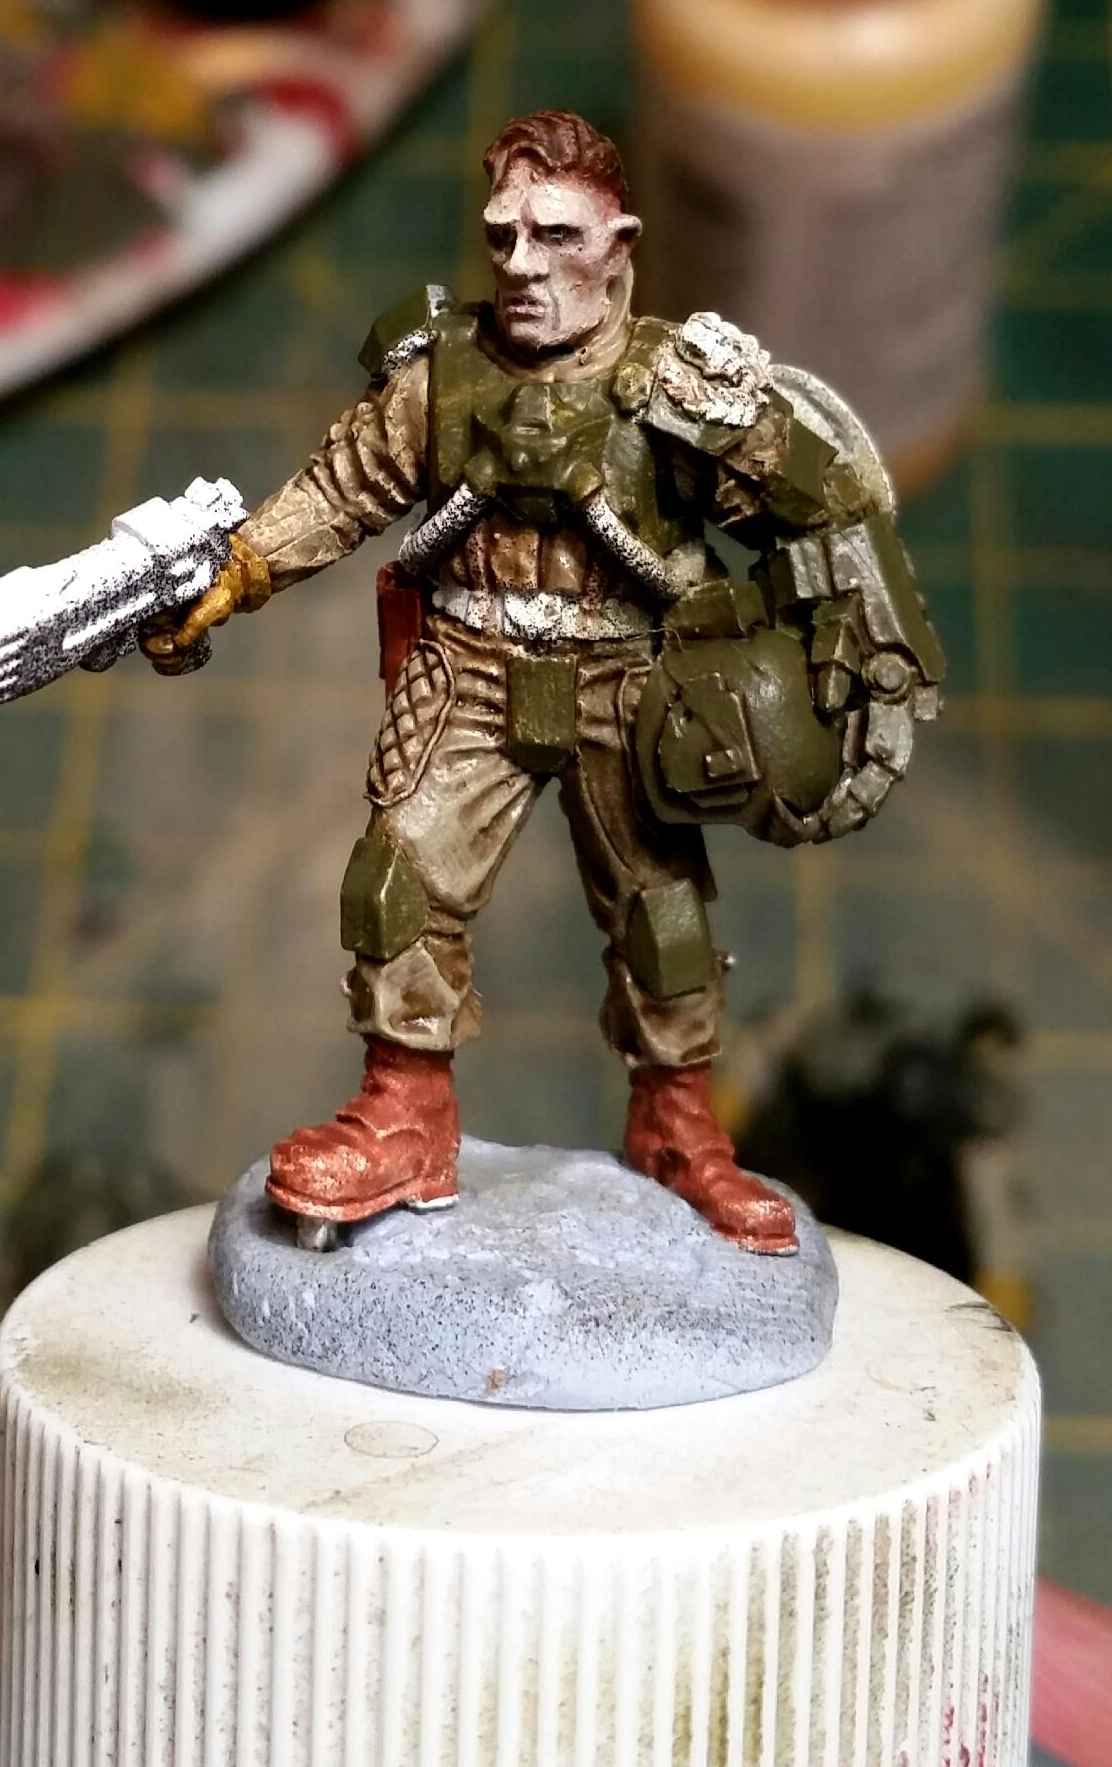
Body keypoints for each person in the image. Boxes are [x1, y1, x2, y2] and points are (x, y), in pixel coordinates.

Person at [141, 108, 943, 1253]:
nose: (521, 264)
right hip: (468, 670)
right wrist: (234, 574)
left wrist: (846, 652)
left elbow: (815, 508)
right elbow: (341, 490)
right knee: (398, 881)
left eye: (555, 236)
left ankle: (676, 1127)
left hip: (631, 682)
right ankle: (406, 1117)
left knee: (662, 917)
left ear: (617, 244)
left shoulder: (675, 386)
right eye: (502, 235)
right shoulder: (441, 378)